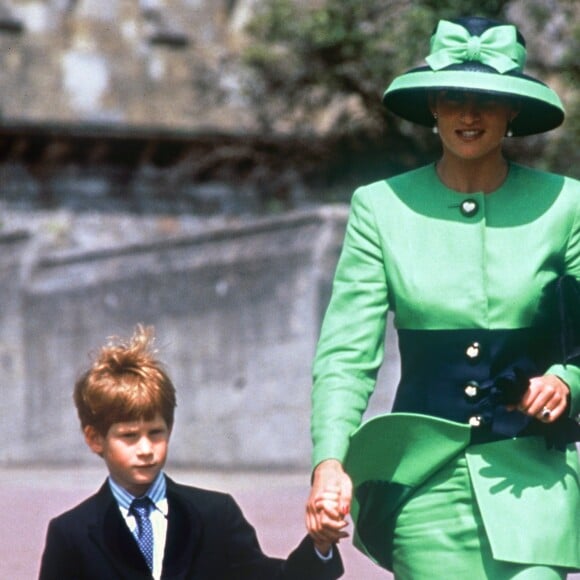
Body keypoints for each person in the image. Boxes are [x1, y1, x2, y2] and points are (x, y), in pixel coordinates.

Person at [306, 15, 580, 580]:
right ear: (433, 106)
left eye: (488, 99)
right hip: (423, 487)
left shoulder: (567, 205)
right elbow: (345, 356)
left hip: (537, 483)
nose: (470, 115)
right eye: (454, 97)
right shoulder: (380, 208)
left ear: (513, 112)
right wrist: (329, 461)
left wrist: (567, 382)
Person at [39, 324, 344, 580]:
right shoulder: (71, 534)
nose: (145, 449)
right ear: (95, 439)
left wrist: (320, 544)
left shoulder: (215, 515)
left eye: (155, 433)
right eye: (129, 437)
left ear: (169, 429)